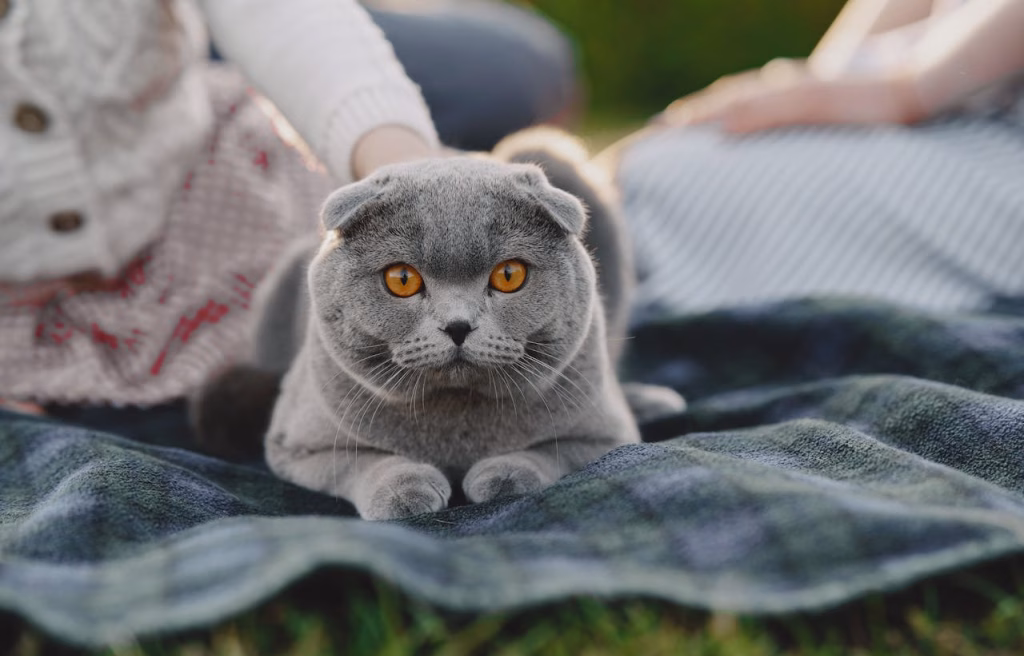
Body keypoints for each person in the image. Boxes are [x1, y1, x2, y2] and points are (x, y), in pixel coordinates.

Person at [0, 0, 576, 412]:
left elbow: (288, 17)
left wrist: (409, 170)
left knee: (522, 67)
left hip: (208, 196)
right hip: (19, 306)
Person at [605, 0, 1024, 323]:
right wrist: (813, 81)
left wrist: (904, 92)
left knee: (664, 185)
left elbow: (913, 90)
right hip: (947, 111)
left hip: (997, 152)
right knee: (657, 164)